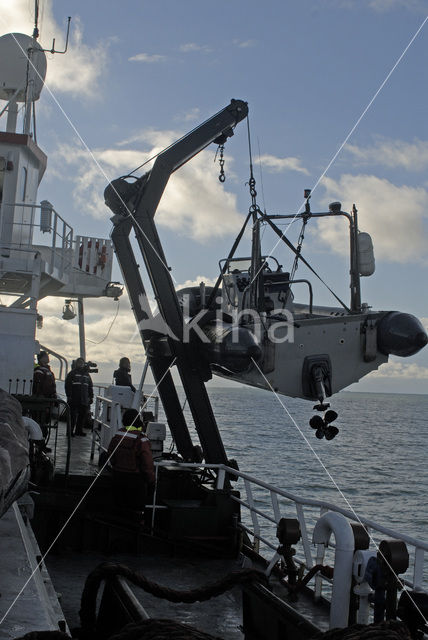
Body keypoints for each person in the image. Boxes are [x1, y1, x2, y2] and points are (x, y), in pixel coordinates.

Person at [107, 408, 154, 511]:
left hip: (117, 476)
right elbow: (148, 464)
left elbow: (110, 454)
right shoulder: (142, 439)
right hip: (135, 480)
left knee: (118, 508)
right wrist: (151, 482)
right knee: (135, 511)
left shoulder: (118, 435)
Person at [65, 357, 93, 437]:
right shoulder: (72, 373)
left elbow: (90, 386)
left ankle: (78, 431)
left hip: (84, 399)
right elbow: (67, 385)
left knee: (82, 416)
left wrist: (91, 397)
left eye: (82, 363)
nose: (81, 364)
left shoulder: (87, 375)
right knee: (73, 416)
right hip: (74, 398)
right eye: (79, 362)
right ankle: (69, 432)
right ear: (76, 364)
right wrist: (69, 396)